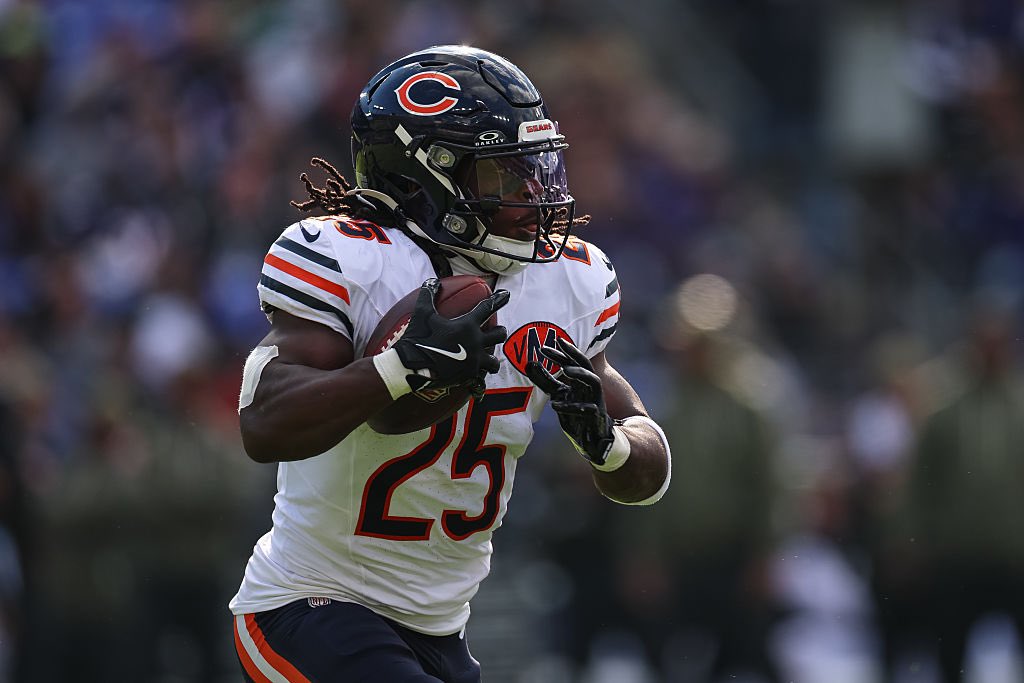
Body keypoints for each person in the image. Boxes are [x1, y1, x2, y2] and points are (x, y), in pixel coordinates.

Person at [228, 45, 672, 683]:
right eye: (504, 176)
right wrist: (397, 367)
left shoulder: (567, 282)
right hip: (310, 605)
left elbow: (649, 472)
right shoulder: (357, 262)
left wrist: (608, 447)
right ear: (422, 179)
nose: (533, 196)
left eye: (537, 170)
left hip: (440, 632)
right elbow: (261, 424)